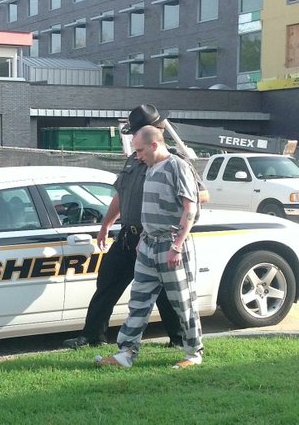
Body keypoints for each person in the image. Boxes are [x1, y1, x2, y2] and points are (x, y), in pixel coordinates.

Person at [63, 104, 183, 349]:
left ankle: (179, 340)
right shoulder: (134, 157)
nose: (135, 144)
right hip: (128, 235)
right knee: (107, 282)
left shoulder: (174, 163)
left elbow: (200, 196)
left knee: (163, 293)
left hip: (154, 239)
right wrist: (106, 223)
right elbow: (121, 193)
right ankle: (92, 335)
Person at [95, 124, 204, 369]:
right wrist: (144, 237)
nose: (138, 156)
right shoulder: (151, 168)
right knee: (139, 301)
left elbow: (191, 208)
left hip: (171, 245)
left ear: (154, 145)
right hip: (148, 244)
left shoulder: (179, 167)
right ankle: (126, 354)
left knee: (182, 301)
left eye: (141, 150)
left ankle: (193, 353)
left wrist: (177, 245)